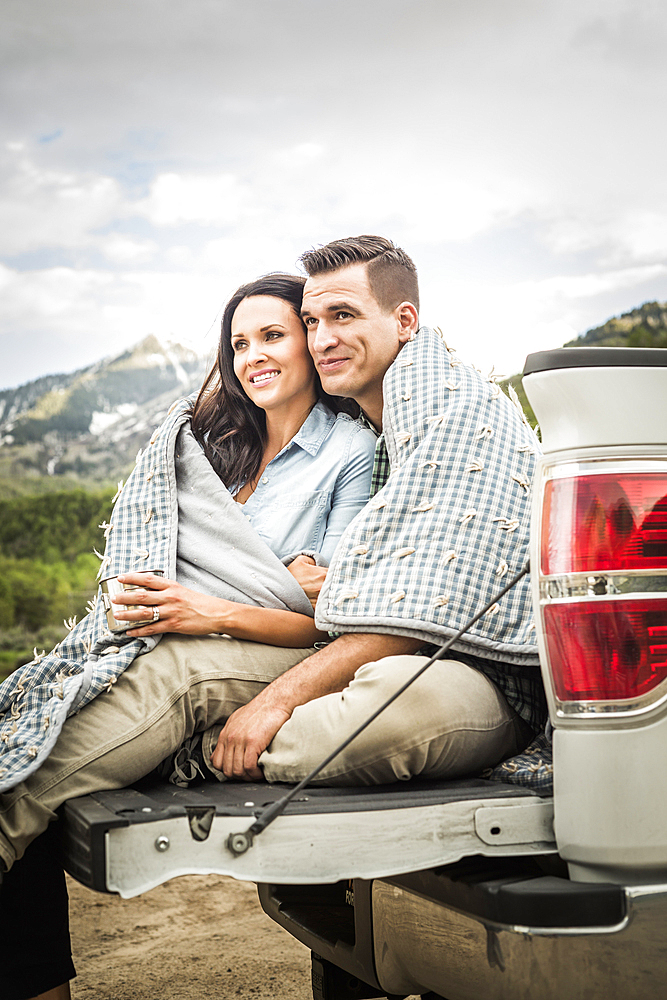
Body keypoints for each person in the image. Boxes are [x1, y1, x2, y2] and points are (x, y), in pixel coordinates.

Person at [0, 236, 546, 1000]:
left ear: (405, 320)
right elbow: (361, 582)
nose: (321, 339)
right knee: (70, 717)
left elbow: (400, 601)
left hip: (358, 659)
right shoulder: (222, 444)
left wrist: (269, 648)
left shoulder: (404, 432)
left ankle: (158, 753)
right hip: (217, 644)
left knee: (193, 693)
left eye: (335, 318)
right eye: (310, 321)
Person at [0, 270, 376, 1000]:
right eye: (238, 343)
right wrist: (238, 586)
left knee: (24, 787)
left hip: (247, 654)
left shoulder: (348, 453)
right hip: (168, 638)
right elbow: (154, 560)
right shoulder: (212, 446)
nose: (252, 356)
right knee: (24, 736)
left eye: (271, 335)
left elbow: (325, 620)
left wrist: (213, 606)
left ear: (309, 341)